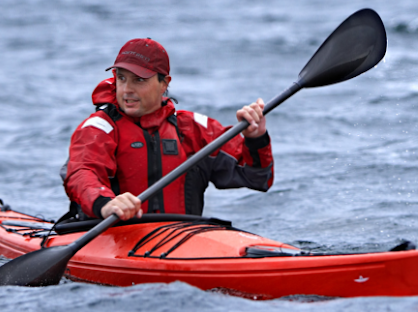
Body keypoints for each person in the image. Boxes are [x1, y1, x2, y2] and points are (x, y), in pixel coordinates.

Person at [61, 38, 274, 221]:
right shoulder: (99, 128)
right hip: (112, 237)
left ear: (164, 84)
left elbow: (258, 178)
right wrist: (106, 204)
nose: (126, 90)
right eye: (122, 78)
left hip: (180, 240)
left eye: (139, 80)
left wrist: (256, 138)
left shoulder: (194, 129)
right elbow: (82, 173)